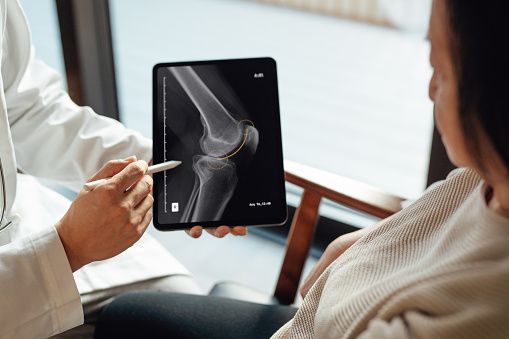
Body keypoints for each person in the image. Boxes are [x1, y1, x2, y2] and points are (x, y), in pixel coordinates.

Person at [93, 0, 509, 338]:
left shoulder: (476, 316)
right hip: (308, 317)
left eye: (440, 70)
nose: (429, 89)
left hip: (317, 320)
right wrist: (366, 240)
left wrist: (352, 266)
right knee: (124, 314)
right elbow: (434, 228)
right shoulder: (483, 175)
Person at [0, 0, 246, 338]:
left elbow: (25, 111)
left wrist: (165, 167)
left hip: (26, 223)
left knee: (180, 296)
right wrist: (67, 248)